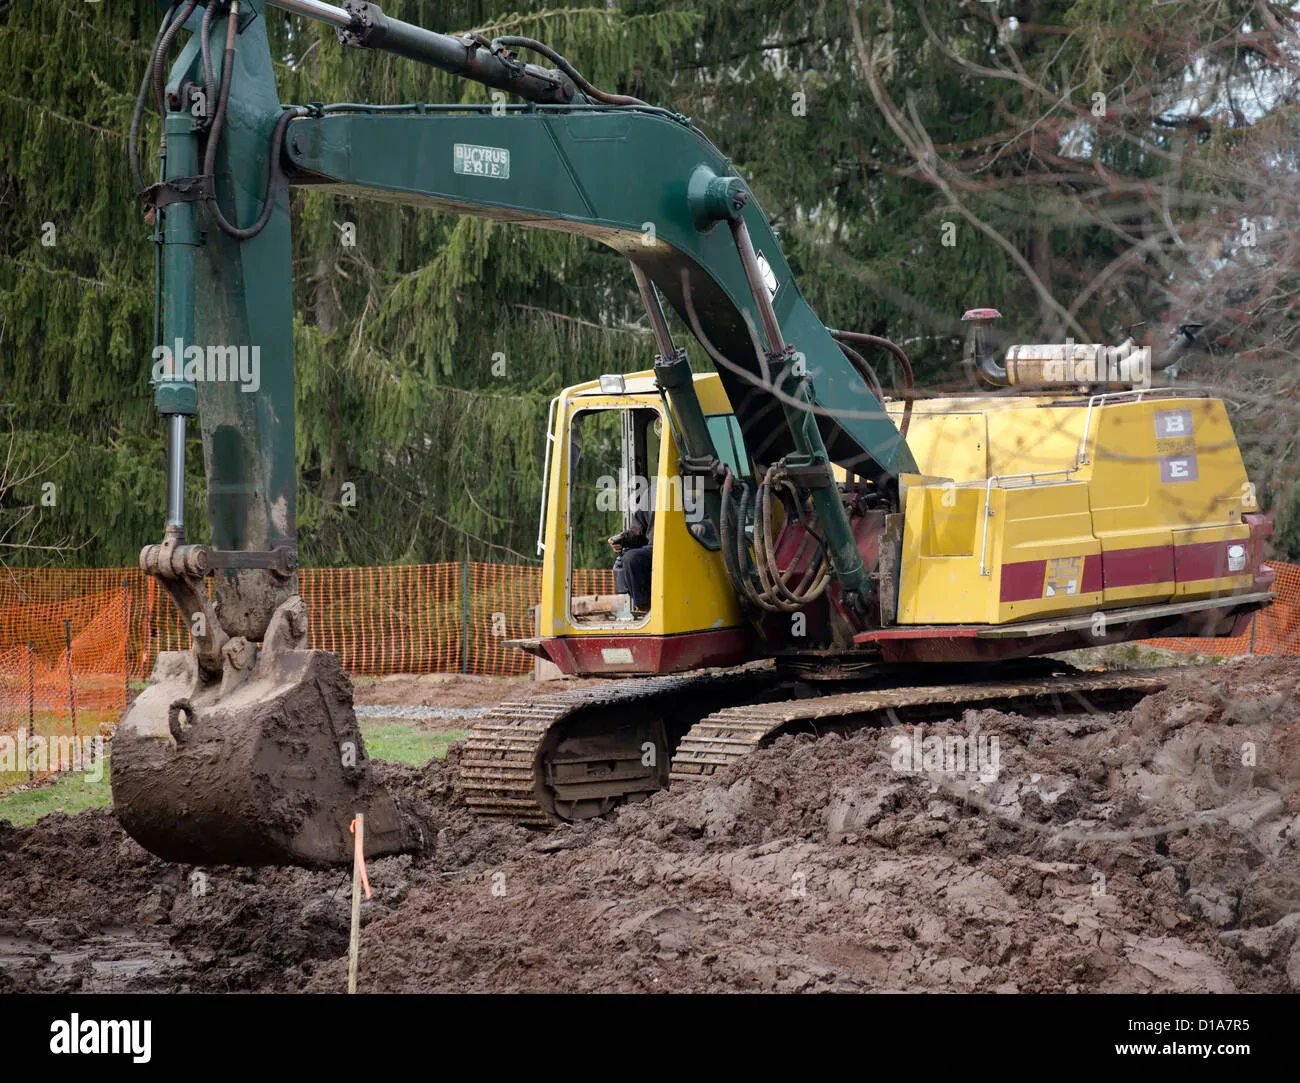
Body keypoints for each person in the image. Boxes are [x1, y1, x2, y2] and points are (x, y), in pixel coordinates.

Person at [610, 507, 653, 613]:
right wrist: (622, 539)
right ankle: (644, 607)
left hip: (682, 545)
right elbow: (637, 532)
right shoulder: (650, 500)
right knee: (631, 558)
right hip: (655, 548)